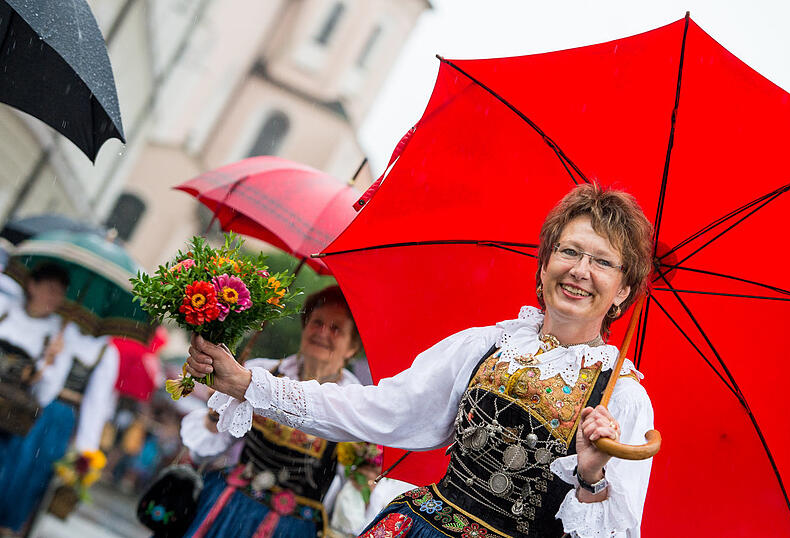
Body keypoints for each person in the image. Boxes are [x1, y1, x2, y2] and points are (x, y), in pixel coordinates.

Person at [188, 185, 656, 537]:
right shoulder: (484, 345)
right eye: (569, 251)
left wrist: (591, 476)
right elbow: (373, 409)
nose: (580, 270)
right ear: (544, 264)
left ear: (624, 290)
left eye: (603, 262)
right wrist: (248, 383)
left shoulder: (623, 399)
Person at [179, 286, 365, 537]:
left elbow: (343, 501)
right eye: (317, 322)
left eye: (336, 329)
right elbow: (203, 453)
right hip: (227, 508)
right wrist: (216, 411)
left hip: (291, 529)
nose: (322, 332)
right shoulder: (259, 373)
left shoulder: (355, 405)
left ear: (352, 347)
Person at [0, 263, 74, 534]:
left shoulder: (57, 336)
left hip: (7, 422)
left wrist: (49, 363)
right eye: (50, 289)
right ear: (32, 285)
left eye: (60, 293)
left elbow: (45, 395)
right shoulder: (5, 311)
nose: (55, 298)